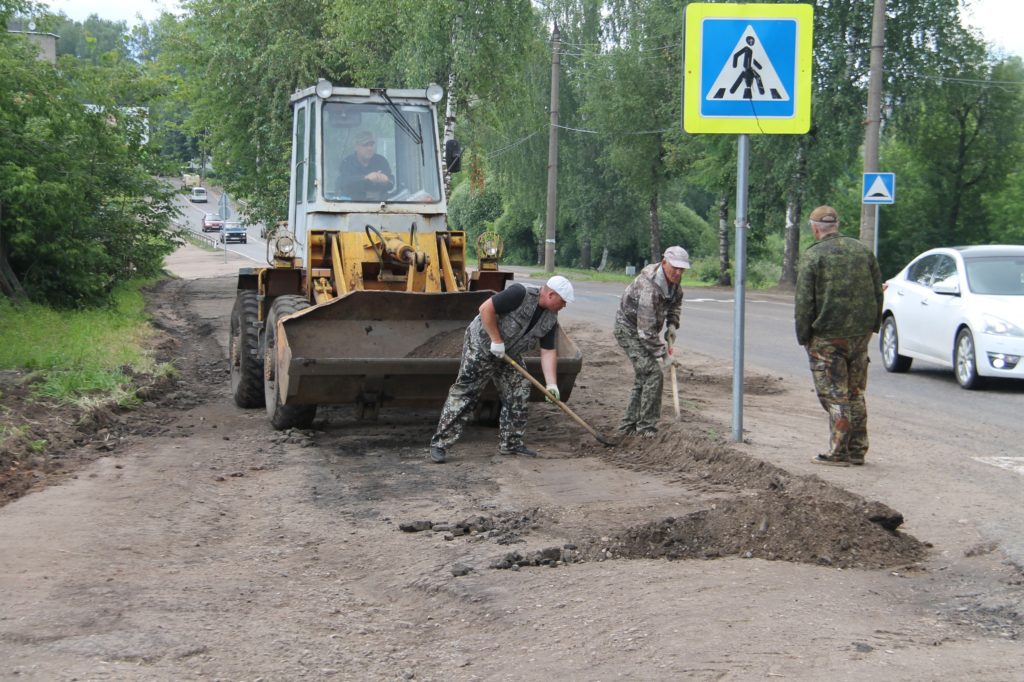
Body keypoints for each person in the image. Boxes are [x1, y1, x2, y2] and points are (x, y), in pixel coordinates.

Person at [429, 276, 575, 464]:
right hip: (482, 344)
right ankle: (440, 443)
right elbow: (485, 309)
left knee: (519, 389)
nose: (564, 305)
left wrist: (551, 383)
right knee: (466, 392)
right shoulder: (520, 293)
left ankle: (511, 443)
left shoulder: (550, 319)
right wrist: (496, 341)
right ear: (551, 294)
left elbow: (547, 351)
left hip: (509, 353)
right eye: (563, 301)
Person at [795, 206, 883, 467]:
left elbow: (804, 303)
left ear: (814, 227)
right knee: (855, 393)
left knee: (835, 395)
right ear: (837, 224)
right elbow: (878, 293)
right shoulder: (863, 251)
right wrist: (871, 328)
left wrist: (804, 337)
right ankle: (857, 450)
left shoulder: (814, 256)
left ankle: (838, 451)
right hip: (859, 336)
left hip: (827, 338)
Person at [614, 246, 688, 438]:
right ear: (664, 263)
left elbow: (676, 302)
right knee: (653, 374)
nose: (679, 272)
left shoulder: (674, 282)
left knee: (644, 376)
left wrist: (672, 324)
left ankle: (627, 427)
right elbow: (645, 333)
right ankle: (646, 429)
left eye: (682, 269)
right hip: (628, 331)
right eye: (675, 268)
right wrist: (664, 355)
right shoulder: (650, 288)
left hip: (644, 332)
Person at [337, 130, 393, 200]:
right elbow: (343, 184)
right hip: (352, 204)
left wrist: (386, 181)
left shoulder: (381, 161)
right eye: (365, 145)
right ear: (356, 147)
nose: (370, 148)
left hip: (380, 205)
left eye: (371, 145)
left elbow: (391, 183)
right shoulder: (347, 162)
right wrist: (365, 178)